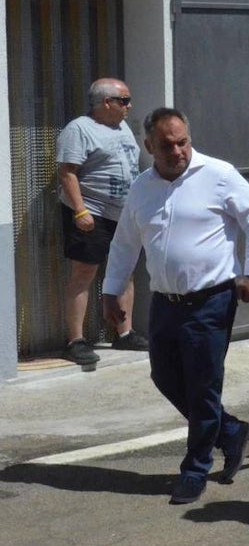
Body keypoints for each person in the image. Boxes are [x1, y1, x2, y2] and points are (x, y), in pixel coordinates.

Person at [101, 107, 249, 505]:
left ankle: (195, 469)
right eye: (167, 145)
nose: (177, 151)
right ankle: (230, 431)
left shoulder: (219, 175)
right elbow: (125, 242)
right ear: (149, 146)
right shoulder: (142, 187)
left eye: (183, 142)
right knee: (164, 376)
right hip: (164, 302)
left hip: (211, 300)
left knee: (202, 386)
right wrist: (110, 291)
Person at [56, 77, 148, 365]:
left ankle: (124, 333)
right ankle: (75, 341)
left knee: (125, 272)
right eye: (124, 101)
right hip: (92, 212)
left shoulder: (122, 128)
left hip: (123, 215)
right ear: (107, 102)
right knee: (84, 274)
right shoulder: (79, 129)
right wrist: (80, 211)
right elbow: (67, 172)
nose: (129, 106)